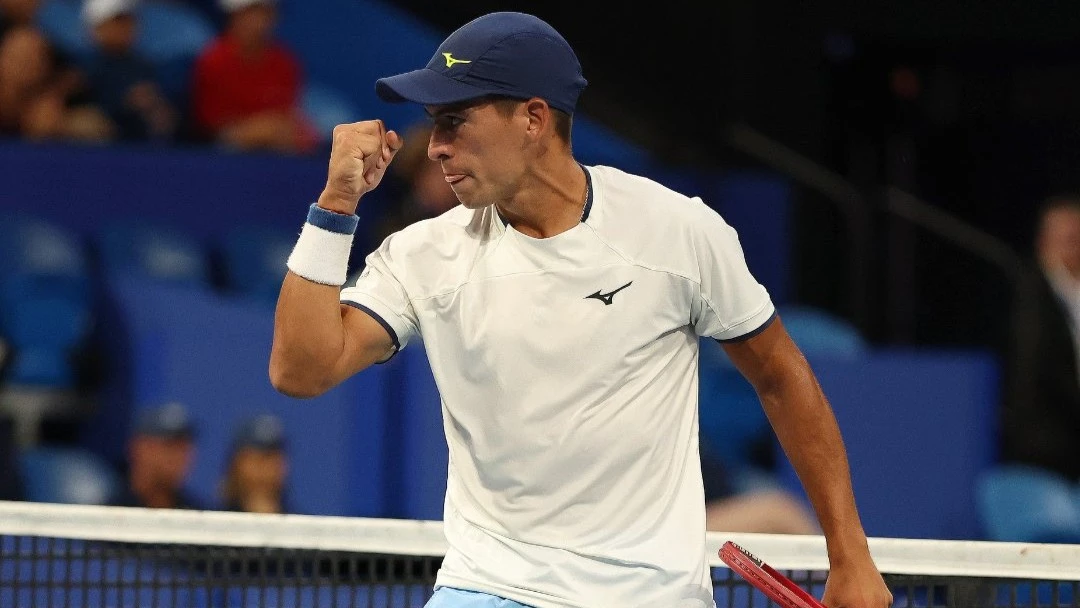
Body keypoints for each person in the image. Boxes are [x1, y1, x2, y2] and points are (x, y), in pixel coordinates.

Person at [269, 11, 891, 608]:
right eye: (434, 124)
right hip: (488, 587)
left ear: (534, 118)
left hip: (650, 596)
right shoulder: (422, 255)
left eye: (455, 121)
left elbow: (780, 373)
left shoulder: (678, 232)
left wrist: (850, 556)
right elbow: (300, 373)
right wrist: (334, 205)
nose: (435, 148)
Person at [1000, 195, 1080, 482]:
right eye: (1067, 240)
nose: (1075, 248)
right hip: (1046, 449)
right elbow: (1035, 370)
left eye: (1078, 239)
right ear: (1043, 242)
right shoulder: (1031, 295)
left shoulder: (1073, 293)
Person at [190, 0, 316, 153]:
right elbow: (211, 126)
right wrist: (257, 130)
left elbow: (288, 118)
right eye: (249, 13)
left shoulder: (284, 62)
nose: (257, 22)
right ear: (234, 16)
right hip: (223, 151)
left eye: (263, 14)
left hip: (278, 149)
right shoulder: (212, 60)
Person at [81, 0, 177, 142]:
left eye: (130, 20)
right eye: (118, 21)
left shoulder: (143, 66)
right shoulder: (82, 67)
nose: (127, 27)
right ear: (97, 27)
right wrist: (125, 102)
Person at [109, 401, 205, 510]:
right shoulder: (107, 511)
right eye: (170, 445)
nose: (180, 456)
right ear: (138, 447)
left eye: (185, 447)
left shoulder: (195, 513)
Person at [217, 413, 290, 514]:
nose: (263, 471)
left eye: (269, 458)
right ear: (235, 465)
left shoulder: (305, 526)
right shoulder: (208, 523)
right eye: (254, 460)